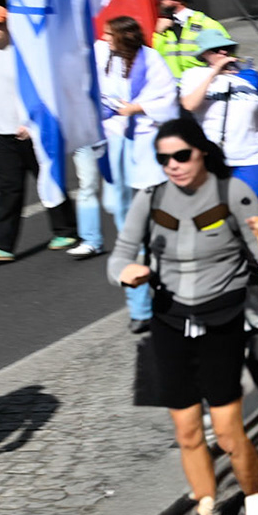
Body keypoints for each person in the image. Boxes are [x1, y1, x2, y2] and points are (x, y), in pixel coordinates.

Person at [110, 115, 258, 515]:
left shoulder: (232, 193)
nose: (173, 166)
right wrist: (125, 273)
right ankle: (208, 511)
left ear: (201, 151)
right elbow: (122, 252)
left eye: (181, 155)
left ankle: (255, 499)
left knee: (226, 431)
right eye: (164, 159)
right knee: (185, 431)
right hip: (169, 323)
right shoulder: (150, 199)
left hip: (221, 323)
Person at [0, 3, 80, 263]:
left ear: (8, 23)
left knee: (48, 180)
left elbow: (46, 89)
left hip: (34, 130)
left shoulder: (28, 52)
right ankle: (0, 246)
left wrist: (31, 122)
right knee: (8, 188)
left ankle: (66, 230)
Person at [88, 16, 180, 303]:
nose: (104, 38)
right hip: (111, 135)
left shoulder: (150, 60)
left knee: (145, 204)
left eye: (109, 34)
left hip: (142, 139)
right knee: (116, 201)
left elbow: (167, 99)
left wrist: (137, 108)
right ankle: (135, 240)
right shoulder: (101, 52)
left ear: (124, 38)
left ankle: (145, 285)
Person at [178, 29, 258, 218]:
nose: (223, 53)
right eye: (216, 50)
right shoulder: (194, 75)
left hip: (253, 157)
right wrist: (215, 72)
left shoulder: (248, 78)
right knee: (221, 211)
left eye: (226, 49)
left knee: (254, 209)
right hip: (215, 158)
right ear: (204, 54)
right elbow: (189, 104)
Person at [151, 0, 231, 79]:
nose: (161, 1)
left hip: (201, 86)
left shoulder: (206, 24)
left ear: (178, 0)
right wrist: (158, 34)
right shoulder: (164, 27)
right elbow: (158, 57)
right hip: (175, 87)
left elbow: (226, 55)